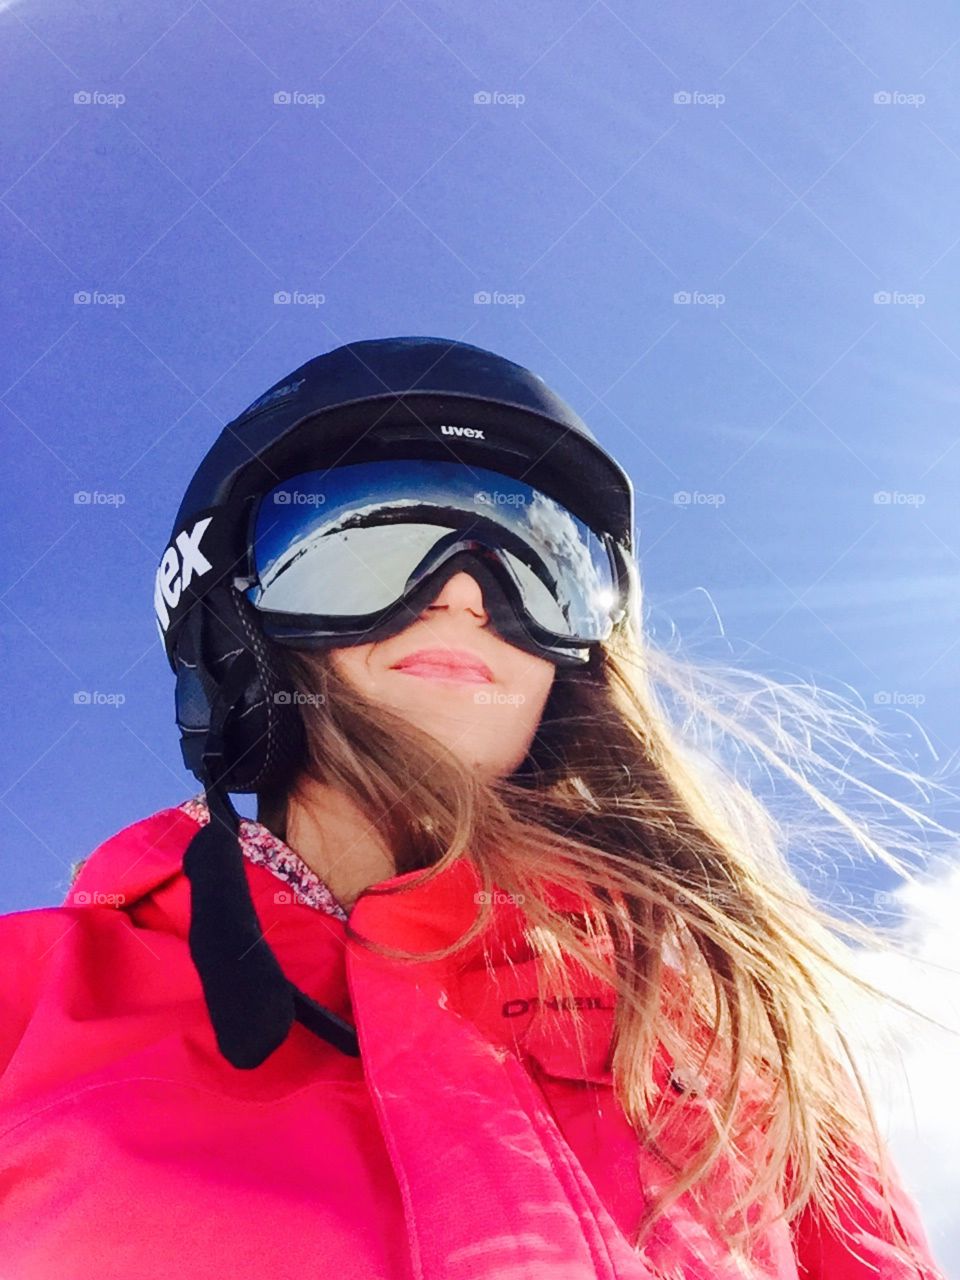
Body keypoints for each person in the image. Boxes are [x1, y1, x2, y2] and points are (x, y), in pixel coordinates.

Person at [0, 336, 950, 1279]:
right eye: (367, 551)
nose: (464, 598)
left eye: (540, 565)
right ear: (235, 633)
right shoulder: (32, 1005)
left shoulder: (733, 1050)